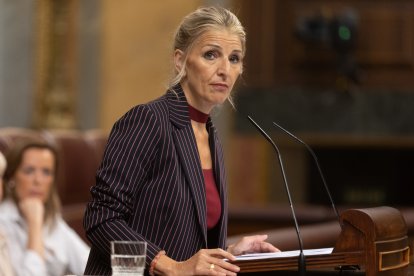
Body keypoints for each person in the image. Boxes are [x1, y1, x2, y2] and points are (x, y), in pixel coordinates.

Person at [83, 6, 279, 276]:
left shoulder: (211, 136)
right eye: (211, 55)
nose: (225, 70)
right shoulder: (148, 120)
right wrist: (168, 266)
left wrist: (230, 252)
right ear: (180, 60)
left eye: (235, 58)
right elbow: (101, 219)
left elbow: (186, 241)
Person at [0, 140, 90, 276]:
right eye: (29, 171)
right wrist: (34, 224)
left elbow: (89, 266)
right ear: (12, 176)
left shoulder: (53, 220)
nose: (38, 180)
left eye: (46, 172)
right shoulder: (3, 221)